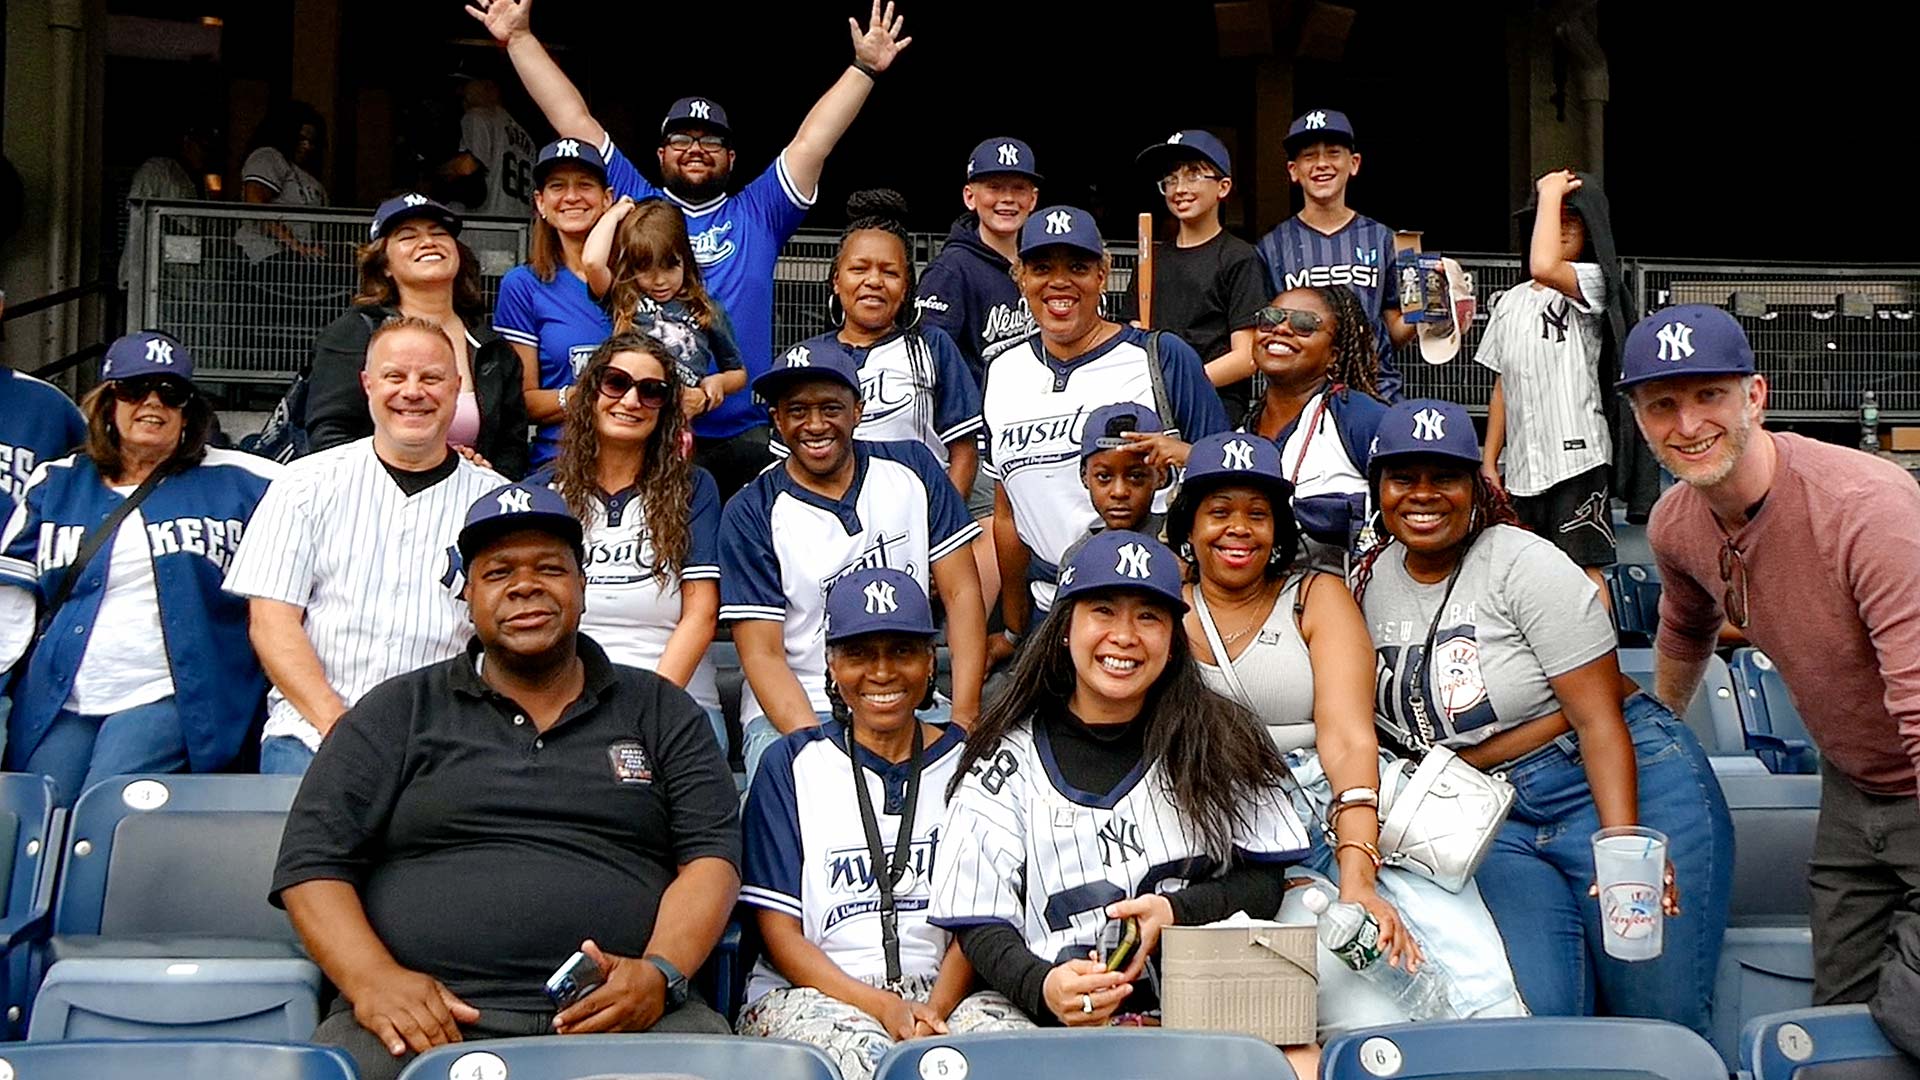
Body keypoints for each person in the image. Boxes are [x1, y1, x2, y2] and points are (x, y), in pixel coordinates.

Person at [273, 481, 739, 1080]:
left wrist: (660, 972)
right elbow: (312, 864)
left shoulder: (661, 710)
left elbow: (711, 859)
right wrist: (373, 980)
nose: (525, 585)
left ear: (582, 586)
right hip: (422, 1019)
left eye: (550, 567)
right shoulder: (396, 711)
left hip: (624, 1015)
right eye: (498, 573)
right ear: (467, 595)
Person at [1352, 397, 1732, 1036]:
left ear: (1475, 486)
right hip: (1491, 818)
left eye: (1443, 476)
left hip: (1610, 783)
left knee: (1654, 1013)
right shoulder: (1369, 578)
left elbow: (1599, 717)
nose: (1423, 494)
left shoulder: (1524, 561)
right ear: (1379, 489)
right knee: (1543, 1013)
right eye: (1403, 477)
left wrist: (1623, 847)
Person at [471, 0, 912, 499]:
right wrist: (520, 39)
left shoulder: (759, 212)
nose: (696, 148)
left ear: (731, 158)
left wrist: (864, 69)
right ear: (660, 154)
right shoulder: (637, 207)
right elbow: (572, 118)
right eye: (681, 138)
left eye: (712, 141)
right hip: (652, 433)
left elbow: (813, 141)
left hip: (745, 434)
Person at [1170, 431, 1525, 1034]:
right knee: (1354, 1015)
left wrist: (1358, 875)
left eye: (1258, 514)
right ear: (1189, 524)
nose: (1239, 529)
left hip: (1342, 801)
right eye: (1219, 512)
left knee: (1476, 986)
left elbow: (1349, 740)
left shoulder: (1315, 594)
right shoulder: (1162, 611)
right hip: (1233, 829)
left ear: (1280, 528)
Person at [927, 530, 1316, 1070]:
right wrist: (1041, 986)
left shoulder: (1221, 738)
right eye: (1103, 611)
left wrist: (1176, 911)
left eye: (1149, 617)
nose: (1125, 636)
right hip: (1053, 1013)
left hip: (1202, 1003)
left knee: (1300, 1058)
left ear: (1174, 638)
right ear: (1065, 629)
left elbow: (1264, 877)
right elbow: (979, 922)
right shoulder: (1005, 758)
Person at [1622, 304, 1920, 1006]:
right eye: (1662, 404)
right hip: (1853, 789)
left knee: (1907, 1017)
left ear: (1756, 396)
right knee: (1840, 1014)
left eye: (1709, 396)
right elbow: (1684, 629)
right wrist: (1658, 734)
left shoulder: (1865, 507)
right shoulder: (1674, 523)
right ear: (1639, 420)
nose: (1687, 425)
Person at [738, 568, 1032, 1079]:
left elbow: (980, 918)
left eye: (901, 651)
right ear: (831, 664)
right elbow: (779, 934)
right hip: (819, 991)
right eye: (858, 654)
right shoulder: (791, 763)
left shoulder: (973, 761)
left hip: (951, 989)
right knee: (860, 1059)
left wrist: (934, 1011)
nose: (881, 672)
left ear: (928, 661)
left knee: (1007, 1052)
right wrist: (881, 1006)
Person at [0, 333, 280, 806]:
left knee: (107, 810)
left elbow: (336, 491)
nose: (153, 403)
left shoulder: (247, 480)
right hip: (62, 695)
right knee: (39, 813)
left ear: (189, 411)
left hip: (170, 692)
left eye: (170, 393)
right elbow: (11, 600)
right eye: (135, 388)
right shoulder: (57, 482)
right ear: (108, 402)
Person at [224, 317, 507, 775]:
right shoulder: (304, 484)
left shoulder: (495, 503)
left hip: (448, 747)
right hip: (312, 735)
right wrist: (340, 728)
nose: (412, 391)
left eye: (431, 377)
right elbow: (272, 623)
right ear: (367, 384)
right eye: (395, 376)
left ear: (457, 388)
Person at [719, 345, 986, 784]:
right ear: (778, 421)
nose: (816, 424)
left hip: (910, 696)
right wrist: (820, 754)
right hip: (801, 707)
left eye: (831, 408)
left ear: (858, 410)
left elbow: (962, 593)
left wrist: (965, 720)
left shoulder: (914, 467)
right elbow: (762, 654)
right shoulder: (752, 509)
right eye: (797, 410)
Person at [984, 206, 1228, 651]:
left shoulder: (1162, 357)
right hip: (1048, 610)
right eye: (1042, 268)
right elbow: (1007, 513)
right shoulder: (1002, 370)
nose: (1060, 281)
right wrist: (1015, 630)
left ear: (1104, 273)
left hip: (1148, 605)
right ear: (1020, 277)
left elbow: (1223, 478)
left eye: (1077, 267)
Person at [538, 332, 726, 752]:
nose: (630, 400)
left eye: (652, 391)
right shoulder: (544, 493)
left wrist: (646, 711)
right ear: (590, 393)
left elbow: (700, 615)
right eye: (615, 383)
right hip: (562, 703)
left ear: (666, 408)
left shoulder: (694, 488)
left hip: (674, 701)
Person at [1125, 285, 1389, 574]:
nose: (1281, 330)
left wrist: (1196, 455)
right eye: (1271, 318)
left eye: (1303, 324)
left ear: (1334, 354)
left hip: (1339, 606)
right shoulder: (1241, 434)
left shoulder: (1359, 418)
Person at [304, 193, 529, 478]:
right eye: (407, 236)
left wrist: (486, 480)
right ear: (384, 264)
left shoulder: (493, 348)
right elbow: (329, 437)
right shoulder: (354, 333)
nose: (428, 242)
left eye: (439, 233)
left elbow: (512, 447)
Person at [1479, 169, 1628, 596]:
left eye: (1571, 220)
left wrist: (1549, 192)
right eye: (1551, 217)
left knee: (1583, 571)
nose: (1559, 227)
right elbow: (1503, 383)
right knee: (1526, 579)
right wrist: (1491, 460)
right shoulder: (1510, 301)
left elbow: (1545, 265)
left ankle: (1599, 664)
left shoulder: (1594, 280)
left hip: (1577, 457)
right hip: (1524, 465)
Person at [774, 190, 981, 493]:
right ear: (836, 279)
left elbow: (964, 452)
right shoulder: (806, 358)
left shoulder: (932, 346)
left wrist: (943, 524)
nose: (874, 281)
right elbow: (785, 462)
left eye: (890, 272)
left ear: (906, 285)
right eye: (859, 269)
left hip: (919, 518)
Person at [1254, 109, 1412, 401]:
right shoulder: (1270, 247)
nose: (1322, 164)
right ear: (1293, 170)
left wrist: (1437, 307)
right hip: (1297, 398)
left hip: (1375, 394)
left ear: (1354, 164)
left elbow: (1395, 332)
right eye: (1310, 156)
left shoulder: (1384, 239)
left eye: (1333, 153)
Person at [491, 138, 618, 470]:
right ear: (540, 203)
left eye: (585, 185)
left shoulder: (641, 277)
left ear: (608, 199)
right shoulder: (523, 285)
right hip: (560, 460)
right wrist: (587, 395)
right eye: (557, 186)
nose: (572, 196)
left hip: (643, 462)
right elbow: (522, 401)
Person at [1132, 130, 1268, 419]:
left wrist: (1178, 385)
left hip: (1213, 406)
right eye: (1171, 178)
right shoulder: (1150, 260)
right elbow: (1131, 336)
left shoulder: (1239, 257)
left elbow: (1246, 357)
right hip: (1151, 408)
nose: (1179, 188)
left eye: (1194, 175)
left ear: (1223, 187)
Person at [583, 196, 744, 423]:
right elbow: (592, 262)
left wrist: (717, 383)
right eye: (645, 268)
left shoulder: (706, 309)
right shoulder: (625, 296)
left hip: (678, 417)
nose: (659, 280)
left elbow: (737, 373)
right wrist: (615, 214)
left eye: (670, 266)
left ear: (685, 260)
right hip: (631, 408)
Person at [914, 137, 1040, 391]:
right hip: (979, 421)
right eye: (994, 187)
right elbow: (927, 361)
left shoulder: (1042, 263)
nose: (1008, 199)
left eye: (1018, 188)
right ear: (970, 197)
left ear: (1033, 199)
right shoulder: (950, 269)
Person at [1057, 402, 1169, 569]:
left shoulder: (1180, 542)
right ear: (1084, 477)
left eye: (1136, 476)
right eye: (1104, 476)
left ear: (1161, 475)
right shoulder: (1078, 558)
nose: (1119, 492)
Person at [235, 101, 329, 269]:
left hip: (295, 260)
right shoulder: (268, 157)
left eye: (312, 141)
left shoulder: (305, 174)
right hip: (265, 257)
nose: (307, 146)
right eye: (301, 139)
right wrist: (294, 245)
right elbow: (255, 201)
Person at [119, 125, 210, 291]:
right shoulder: (155, 170)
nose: (205, 154)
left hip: (180, 276)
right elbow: (138, 213)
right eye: (202, 147)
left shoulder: (196, 182)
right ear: (187, 142)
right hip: (149, 273)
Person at [440, 77, 536, 218]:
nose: (460, 92)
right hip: (519, 229)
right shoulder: (528, 139)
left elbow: (467, 168)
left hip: (484, 225)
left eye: (466, 85)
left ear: (490, 87)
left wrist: (435, 175)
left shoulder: (478, 117)